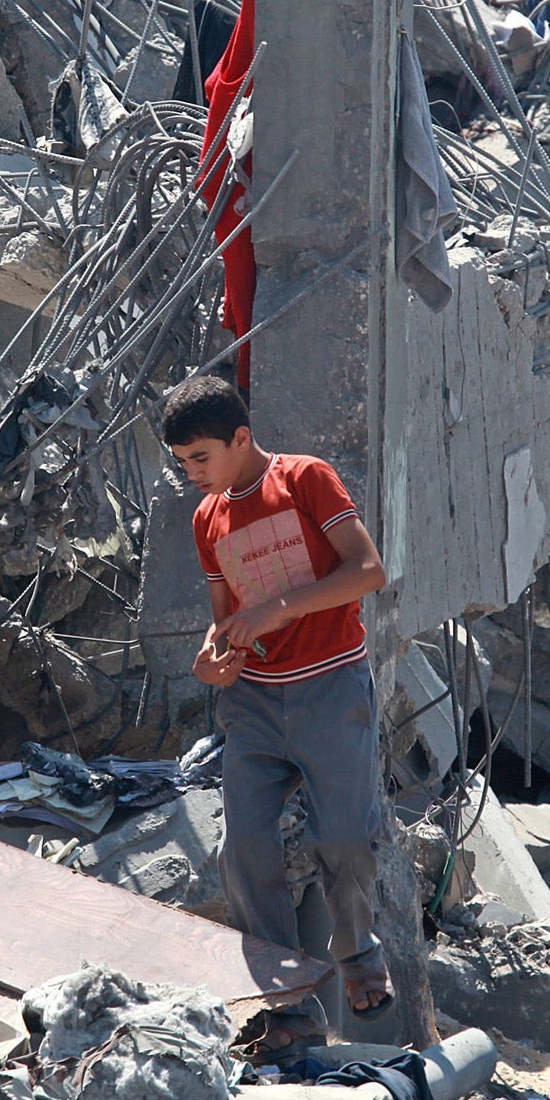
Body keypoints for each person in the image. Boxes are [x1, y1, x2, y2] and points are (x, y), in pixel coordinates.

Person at [160, 373, 392, 1060]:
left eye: (201, 457)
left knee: (345, 835)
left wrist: (283, 606)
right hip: (254, 702)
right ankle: (288, 1004)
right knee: (247, 849)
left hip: (330, 687)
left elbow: (368, 570)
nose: (193, 474)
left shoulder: (305, 480)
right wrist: (210, 657)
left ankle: (357, 957)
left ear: (241, 438)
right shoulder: (206, 520)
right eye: (182, 464)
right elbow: (223, 621)